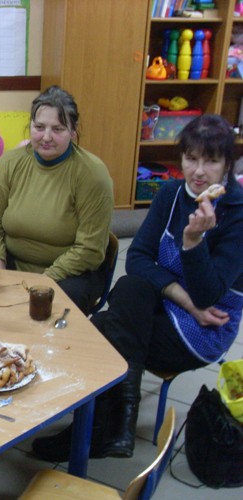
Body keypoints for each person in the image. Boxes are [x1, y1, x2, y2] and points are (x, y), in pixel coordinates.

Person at [32, 114, 243, 462]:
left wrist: (193, 242)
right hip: (171, 306)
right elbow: (138, 258)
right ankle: (115, 426)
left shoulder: (236, 212)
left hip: (204, 328)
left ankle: (97, 430)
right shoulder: (171, 194)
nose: (198, 171)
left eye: (211, 161)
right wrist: (185, 300)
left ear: (227, 165)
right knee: (131, 287)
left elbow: (209, 296)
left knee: (101, 330)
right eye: (191, 158)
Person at [0, 86, 114, 314]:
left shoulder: (92, 174)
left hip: (70, 273)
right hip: (11, 264)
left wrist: (42, 282)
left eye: (58, 129)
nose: (46, 137)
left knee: (47, 309)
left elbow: (90, 249)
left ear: (73, 130)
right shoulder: (10, 163)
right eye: (39, 127)